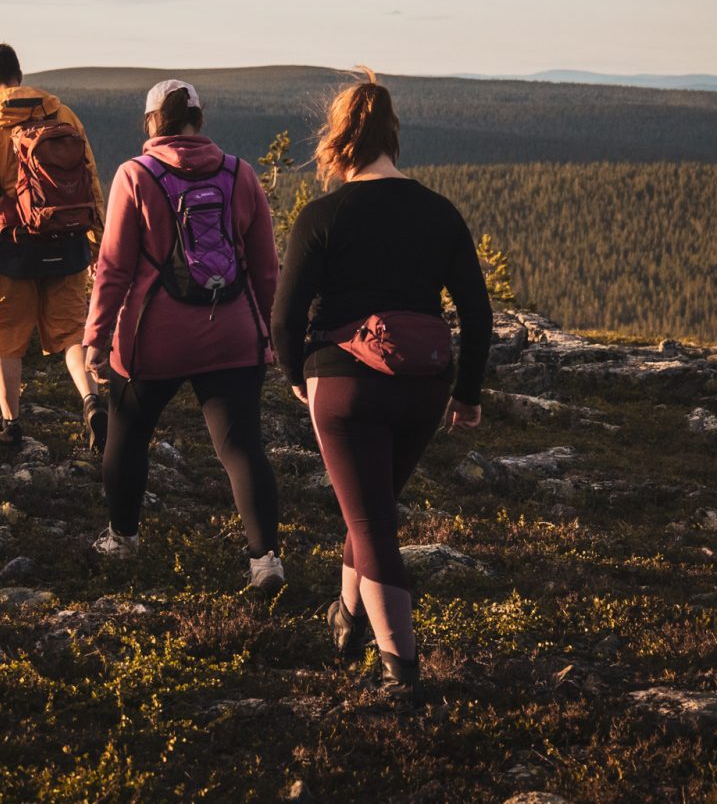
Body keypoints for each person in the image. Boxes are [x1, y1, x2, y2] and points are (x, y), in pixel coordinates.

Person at [272, 69, 492, 700]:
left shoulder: (322, 215)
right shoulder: (440, 212)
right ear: (392, 136)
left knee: (371, 523)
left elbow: (285, 318)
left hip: (344, 386)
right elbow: (477, 314)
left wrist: (296, 375)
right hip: (424, 386)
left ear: (338, 140)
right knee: (370, 506)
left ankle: (402, 669)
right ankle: (347, 616)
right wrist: (467, 393)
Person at [83, 79, 285, 591]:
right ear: (200, 118)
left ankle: (123, 539)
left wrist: (97, 337)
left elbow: (113, 268)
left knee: (128, 436)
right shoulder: (240, 174)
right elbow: (266, 269)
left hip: (154, 338)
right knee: (242, 448)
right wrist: (271, 334)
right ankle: (265, 561)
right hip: (233, 334)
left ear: (152, 123)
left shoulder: (135, 175)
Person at [0, 42, 108, 451]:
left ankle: (9, 424)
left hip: (15, 250)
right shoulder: (62, 114)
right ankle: (92, 402)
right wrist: (97, 243)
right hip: (68, 241)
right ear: (19, 76)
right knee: (73, 333)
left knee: (2, 336)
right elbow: (90, 181)